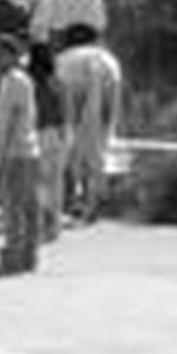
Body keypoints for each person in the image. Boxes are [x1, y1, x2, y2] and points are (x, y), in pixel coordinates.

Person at [56, 24, 123, 225]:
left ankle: (76, 199)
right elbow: (113, 106)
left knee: (73, 145)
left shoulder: (63, 59)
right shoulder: (109, 59)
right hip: (107, 86)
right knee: (98, 145)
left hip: (72, 90)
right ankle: (92, 201)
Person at [0, 34, 42, 276]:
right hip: (29, 149)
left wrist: (1, 151)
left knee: (13, 208)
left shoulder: (11, 81)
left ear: (10, 54)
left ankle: (12, 257)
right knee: (29, 207)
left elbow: (12, 117)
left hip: (15, 152)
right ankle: (29, 256)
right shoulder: (25, 79)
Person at [28, 40, 68, 242]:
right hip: (56, 133)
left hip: (37, 133)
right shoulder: (57, 81)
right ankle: (55, 227)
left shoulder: (29, 81)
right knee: (56, 182)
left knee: (38, 183)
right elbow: (64, 110)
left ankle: (42, 223)